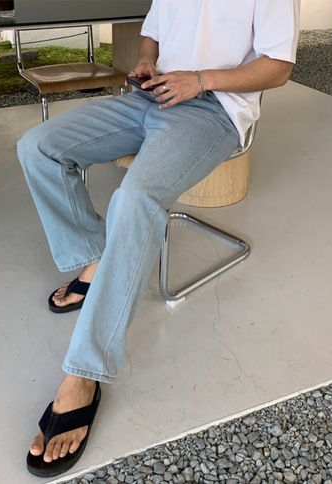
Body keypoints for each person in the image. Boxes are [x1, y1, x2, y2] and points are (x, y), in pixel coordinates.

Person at [17, 0, 300, 477]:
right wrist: (147, 62)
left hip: (213, 112)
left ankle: (84, 373)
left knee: (135, 199)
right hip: (152, 97)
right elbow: (153, 32)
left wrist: (200, 80)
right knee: (38, 147)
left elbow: (278, 67)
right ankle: (97, 257)